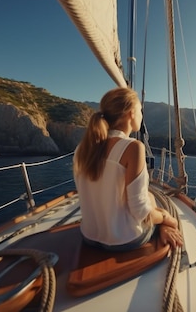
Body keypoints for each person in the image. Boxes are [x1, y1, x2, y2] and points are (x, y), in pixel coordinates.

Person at [73, 87, 183, 250]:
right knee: (151, 200)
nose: (141, 115)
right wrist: (167, 219)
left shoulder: (82, 148)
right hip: (124, 240)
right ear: (131, 113)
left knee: (149, 197)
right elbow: (140, 212)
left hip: (89, 237)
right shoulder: (133, 148)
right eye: (140, 110)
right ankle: (163, 228)